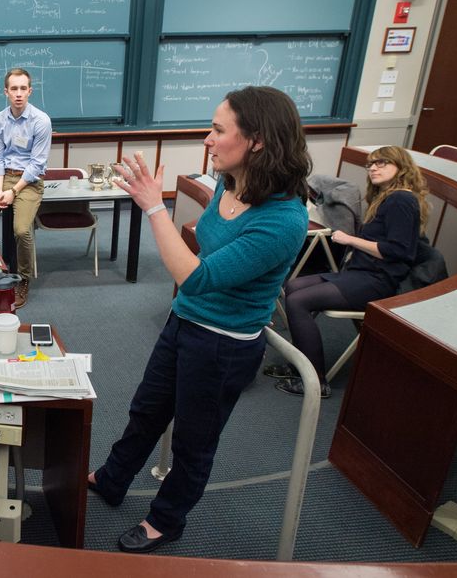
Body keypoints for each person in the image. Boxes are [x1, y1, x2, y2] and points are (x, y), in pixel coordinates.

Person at [87, 86, 310, 553]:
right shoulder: (230, 185)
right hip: (185, 324)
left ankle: (166, 520)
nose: (208, 139)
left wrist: (153, 206)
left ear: (258, 141)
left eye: (218, 130)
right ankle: (112, 479)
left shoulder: (284, 219)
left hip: (224, 346)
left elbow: (196, 276)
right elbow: (202, 256)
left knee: (193, 443)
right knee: (146, 412)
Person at [267, 145, 428, 398]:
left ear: (402, 166)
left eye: (382, 163)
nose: (373, 168)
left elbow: (397, 252)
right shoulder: (387, 198)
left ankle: (315, 382)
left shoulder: (401, 200)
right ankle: (301, 365)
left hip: (377, 280)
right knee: (293, 286)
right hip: (361, 273)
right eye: (371, 164)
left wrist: (350, 240)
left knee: (298, 301)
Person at [0, 67, 51, 309]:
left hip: (29, 182)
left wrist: (13, 192)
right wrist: (0, 188)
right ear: (6, 92)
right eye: (14, 88)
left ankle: (23, 279)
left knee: (22, 230)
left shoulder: (41, 121)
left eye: (23, 88)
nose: (18, 93)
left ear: (30, 91)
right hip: (3, 180)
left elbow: (37, 165)